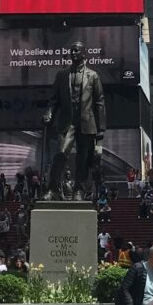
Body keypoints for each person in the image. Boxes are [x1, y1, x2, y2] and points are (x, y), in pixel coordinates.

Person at [42, 41, 107, 200]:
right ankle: (53, 189)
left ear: (84, 54)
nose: (73, 53)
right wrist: (49, 113)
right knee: (60, 153)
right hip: (67, 122)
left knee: (83, 159)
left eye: (76, 51)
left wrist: (100, 131)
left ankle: (79, 190)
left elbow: (99, 102)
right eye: (72, 51)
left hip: (86, 122)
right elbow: (54, 100)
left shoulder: (93, 75)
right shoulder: (62, 75)